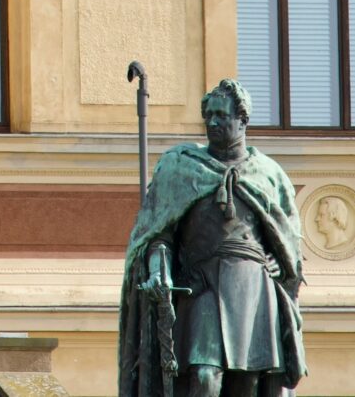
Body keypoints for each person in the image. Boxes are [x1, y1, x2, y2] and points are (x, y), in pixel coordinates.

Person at [119, 80, 304, 397]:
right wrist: (156, 270)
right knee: (204, 376)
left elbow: (288, 239)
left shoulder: (268, 174)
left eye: (221, 115)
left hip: (254, 288)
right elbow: (157, 234)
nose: (213, 122)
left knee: (248, 382)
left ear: (242, 120)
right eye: (209, 116)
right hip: (202, 285)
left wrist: (283, 263)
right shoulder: (181, 167)